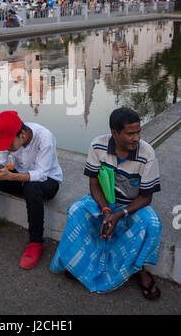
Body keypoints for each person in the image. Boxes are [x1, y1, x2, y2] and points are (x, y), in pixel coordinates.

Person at [50, 107, 162, 300]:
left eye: (138, 132)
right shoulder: (98, 146)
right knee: (76, 210)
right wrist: (106, 209)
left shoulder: (147, 153)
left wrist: (119, 214)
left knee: (153, 224)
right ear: (115, 133)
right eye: (130, 133)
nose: (136, 138)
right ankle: (80, 261)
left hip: (132, 203)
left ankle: (138, 269)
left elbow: (146, 197)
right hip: (105, 200)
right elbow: (93, 184)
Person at [0, 110, 63, 270]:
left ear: (23, 134)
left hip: (48, 181)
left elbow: (41, 174)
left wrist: (10, 177)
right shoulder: (7, 135)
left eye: (10, 145)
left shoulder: (44, 138)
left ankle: (35, 242)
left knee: (32, 189)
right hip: (18, 176)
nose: (8, 148)